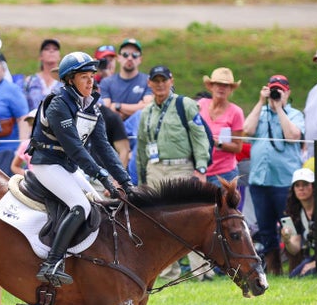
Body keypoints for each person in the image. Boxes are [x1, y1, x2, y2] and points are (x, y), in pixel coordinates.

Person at [27, 51, 133, 286]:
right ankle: (51, 263)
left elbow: (104, 147)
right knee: (80, 206)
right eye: (84, 77)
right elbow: (76, 149)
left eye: (92, 76)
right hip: (47, 164)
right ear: (69, 80)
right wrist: (103, 177)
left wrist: (125, 181)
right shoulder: (58, 106)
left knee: (98, 206)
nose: (90, 81)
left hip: (67, 165)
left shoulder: (91, 106)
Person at [136, 65, 212, 280]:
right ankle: (168, 272)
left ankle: (201, 272)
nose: (160, 84)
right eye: (156, 80)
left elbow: (200, 137)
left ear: (171, 81)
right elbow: (141, 147)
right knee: (157, 222)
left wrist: (201, 168)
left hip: (181, 166)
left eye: (164, 80)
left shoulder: (185, 104)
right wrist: (143, 180)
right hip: (154, 169)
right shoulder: (146, 112)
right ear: (149, 83)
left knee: (190, 219)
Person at [243, 75, 305, 275]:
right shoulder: (259, 113)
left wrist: (279, 108)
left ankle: (296, 267)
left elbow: (293, 136)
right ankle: (273, 269)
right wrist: (261, 101)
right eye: (273, 90)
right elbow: (246, 130)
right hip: (260, 181)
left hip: (284, 182)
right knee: (265, 227)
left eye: (280, 91)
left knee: (289, 225)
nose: (276, 94)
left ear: (288, 92)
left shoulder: (294, 115)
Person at [0, 53, 29, 176]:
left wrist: (21, 149)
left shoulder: (13, 90)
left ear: (3, 70)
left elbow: (23, 119)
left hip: (7, 150)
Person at [199, 67, 245, 185]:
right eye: (218, 84)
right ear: (211, 86)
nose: (221, 88)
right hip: (200, 170)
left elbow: (238, 147)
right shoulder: (200, 105)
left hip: (224, 173)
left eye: (226, 85)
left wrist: (217, 143)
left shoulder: (236, 112)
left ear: (231, 89)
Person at [99, 38, 152, 121]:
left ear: (140, 59)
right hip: (114, 132)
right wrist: (137, 108)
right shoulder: (106, 82)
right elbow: (105, 111)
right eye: (125, 54)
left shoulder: (148, 81)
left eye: (135, 55)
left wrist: (117, 106)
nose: (130, 58)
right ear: (119, 58)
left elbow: (148, 108)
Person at [24, 38, 62, 111]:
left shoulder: (65, 81)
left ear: (59, 56)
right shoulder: (30, 81)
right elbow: (23, 107)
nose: (51, 51)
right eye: (46, 49)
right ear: (40, 56)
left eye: (55, 49)